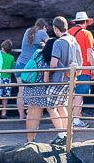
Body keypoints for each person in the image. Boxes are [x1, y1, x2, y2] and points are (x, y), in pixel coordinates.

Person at [24, 16, 80, 145]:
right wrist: (70, 72)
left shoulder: (41, 52)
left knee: (37, 111)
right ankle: (67, 134)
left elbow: (53, 65)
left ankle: (31, 140)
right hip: (63, 81)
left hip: (36, 86)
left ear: (55, 28)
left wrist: (61, 70)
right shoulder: (72, 40)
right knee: (60, 106)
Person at [15, 18, 49, 120]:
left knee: (21, 91)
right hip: (32, 67)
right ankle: (33, 115)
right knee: (35, 90)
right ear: (44, 27)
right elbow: (50, 46)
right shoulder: (42, 33)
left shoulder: (28, 31)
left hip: (20, 64)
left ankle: (22, 116)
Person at [68, 11, 94, 129]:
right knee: (79, 94)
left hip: (69, 69)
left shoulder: (68, 33)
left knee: (70, 94)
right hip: (83, 68)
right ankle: (76, 119)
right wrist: (93, 68)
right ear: (85, 22)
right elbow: (90, 52)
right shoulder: (86, 33)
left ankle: (69, 118)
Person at [0, 39, 16, 120]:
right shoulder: (11, 57)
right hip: (7, 79)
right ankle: (4, 112)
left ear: (3, 48)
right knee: (5, 97)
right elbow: (12, 67)